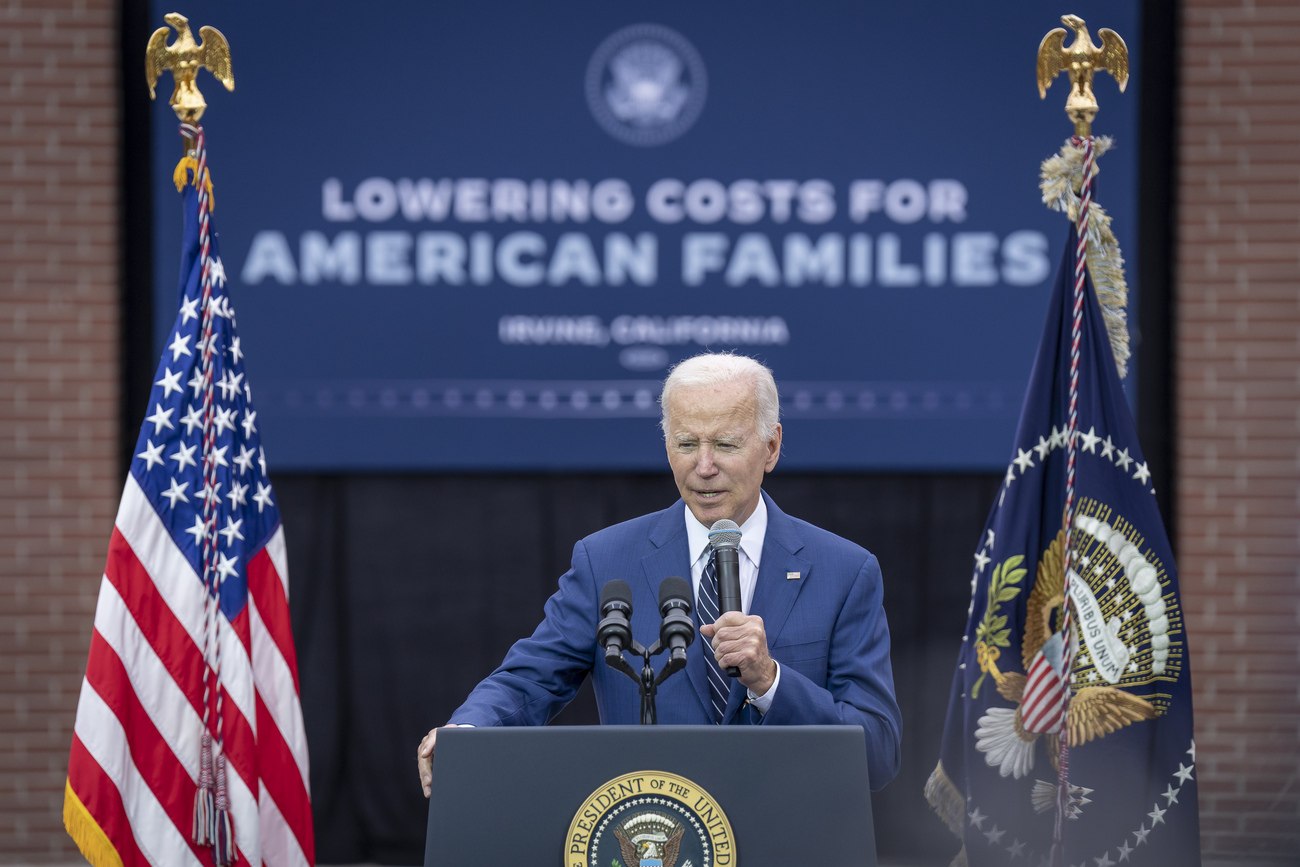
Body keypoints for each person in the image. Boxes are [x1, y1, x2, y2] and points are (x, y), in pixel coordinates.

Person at [417, 353, 901, 794]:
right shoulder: (605, 560)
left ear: (771, 447)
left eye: (726, 444)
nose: (703, 466)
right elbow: (530, 680)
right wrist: (466, 736)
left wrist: (770, 682)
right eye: (686, 443)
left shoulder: (844, 572)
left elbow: (878, 753)